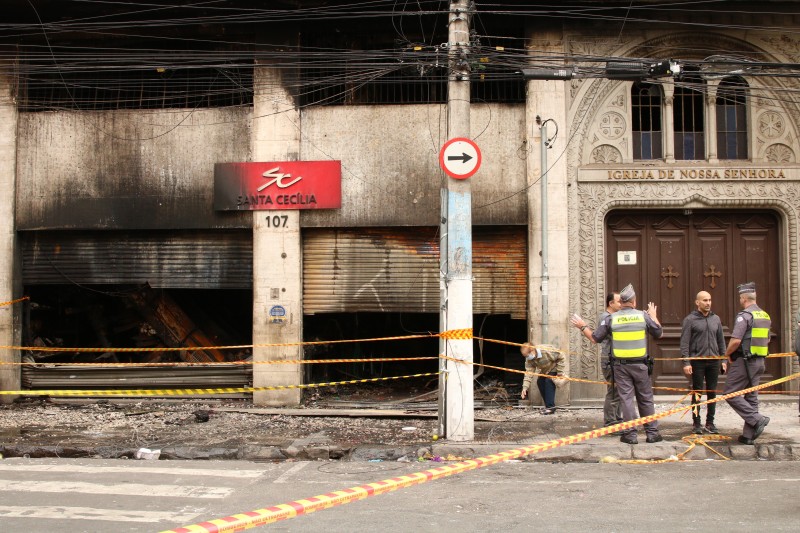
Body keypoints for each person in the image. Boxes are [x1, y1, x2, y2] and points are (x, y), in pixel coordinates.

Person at [571, 283, 663, 444]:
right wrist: (654, 315)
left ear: (621, 303)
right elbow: (659, 333)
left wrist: (582, 326)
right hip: (641, 365)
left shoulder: (611, 318)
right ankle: (652, 433)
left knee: (626, 399)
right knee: (646, 399)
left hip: (621, 367)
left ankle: (630, 435)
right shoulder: (643, 316)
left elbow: (595, 338)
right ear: (634, 301)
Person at [724, 282, 771, 445]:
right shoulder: (765, 316)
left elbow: (736, 341)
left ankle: (757, 419)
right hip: (760, 361)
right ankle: (748, 436)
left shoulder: (744, 316)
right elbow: (767, 340)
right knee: (751, 396)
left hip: (745, 361)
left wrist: (727, 354)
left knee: (730, 393)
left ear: (743, 298)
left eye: (740, 298)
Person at [570, 292, 623, 429]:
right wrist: (583, 326)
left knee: (618, 391)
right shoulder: (607, 318)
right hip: (610, 360)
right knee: (614, 392)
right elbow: (595, 338)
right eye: (619, 301)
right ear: (611, 303)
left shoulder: (614, 317)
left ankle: (617, 419)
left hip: (616, 360)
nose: (622, 304)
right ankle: (611, 422)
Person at [680, 290, 727, 434]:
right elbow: (684, 343)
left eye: (709, 300)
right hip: (697, 362)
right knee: (697, 393)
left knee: (712, 392)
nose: (708, 303)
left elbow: (721, 341)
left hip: (713, 361)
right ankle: (696, 423)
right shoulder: (690, 320)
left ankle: (710, 422)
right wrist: (686, 362)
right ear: (697, 302)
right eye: (705, 300)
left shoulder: (716, 319)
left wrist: (723, 359)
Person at [520, 343, 567, 414]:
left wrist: (560, 372)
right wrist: (525, 388)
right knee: (540, 382)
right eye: (525, 356)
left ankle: (550, 408)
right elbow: (529, 373)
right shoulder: (529, 359)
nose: (527, 357)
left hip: (554, 367)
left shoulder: (545, 351)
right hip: (545, 370)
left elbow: (561, 355)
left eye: (527, 355)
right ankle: (549, 406)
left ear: (532, 350)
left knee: (548, 381)